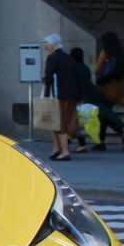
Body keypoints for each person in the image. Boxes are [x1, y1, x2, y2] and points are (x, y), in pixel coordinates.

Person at [94, 31, 124, 152]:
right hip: (117, 89)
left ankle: (123, 134)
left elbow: (97, 70)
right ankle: (101, 142)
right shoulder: (119, 55)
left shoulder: (105, 53)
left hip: (106, 88)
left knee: (104, 115)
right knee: (104, 116)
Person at [41, 33, 78, 161]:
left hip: (58, 95)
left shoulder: (52, 58)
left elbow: (49, 77)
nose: (46, 47)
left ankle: (65, 151)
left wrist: (45, 80)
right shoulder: (68, 58)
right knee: (59, 122)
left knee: (59, 124)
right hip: (71, 94)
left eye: (47, 45)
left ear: (52, 46)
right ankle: (56, 149)